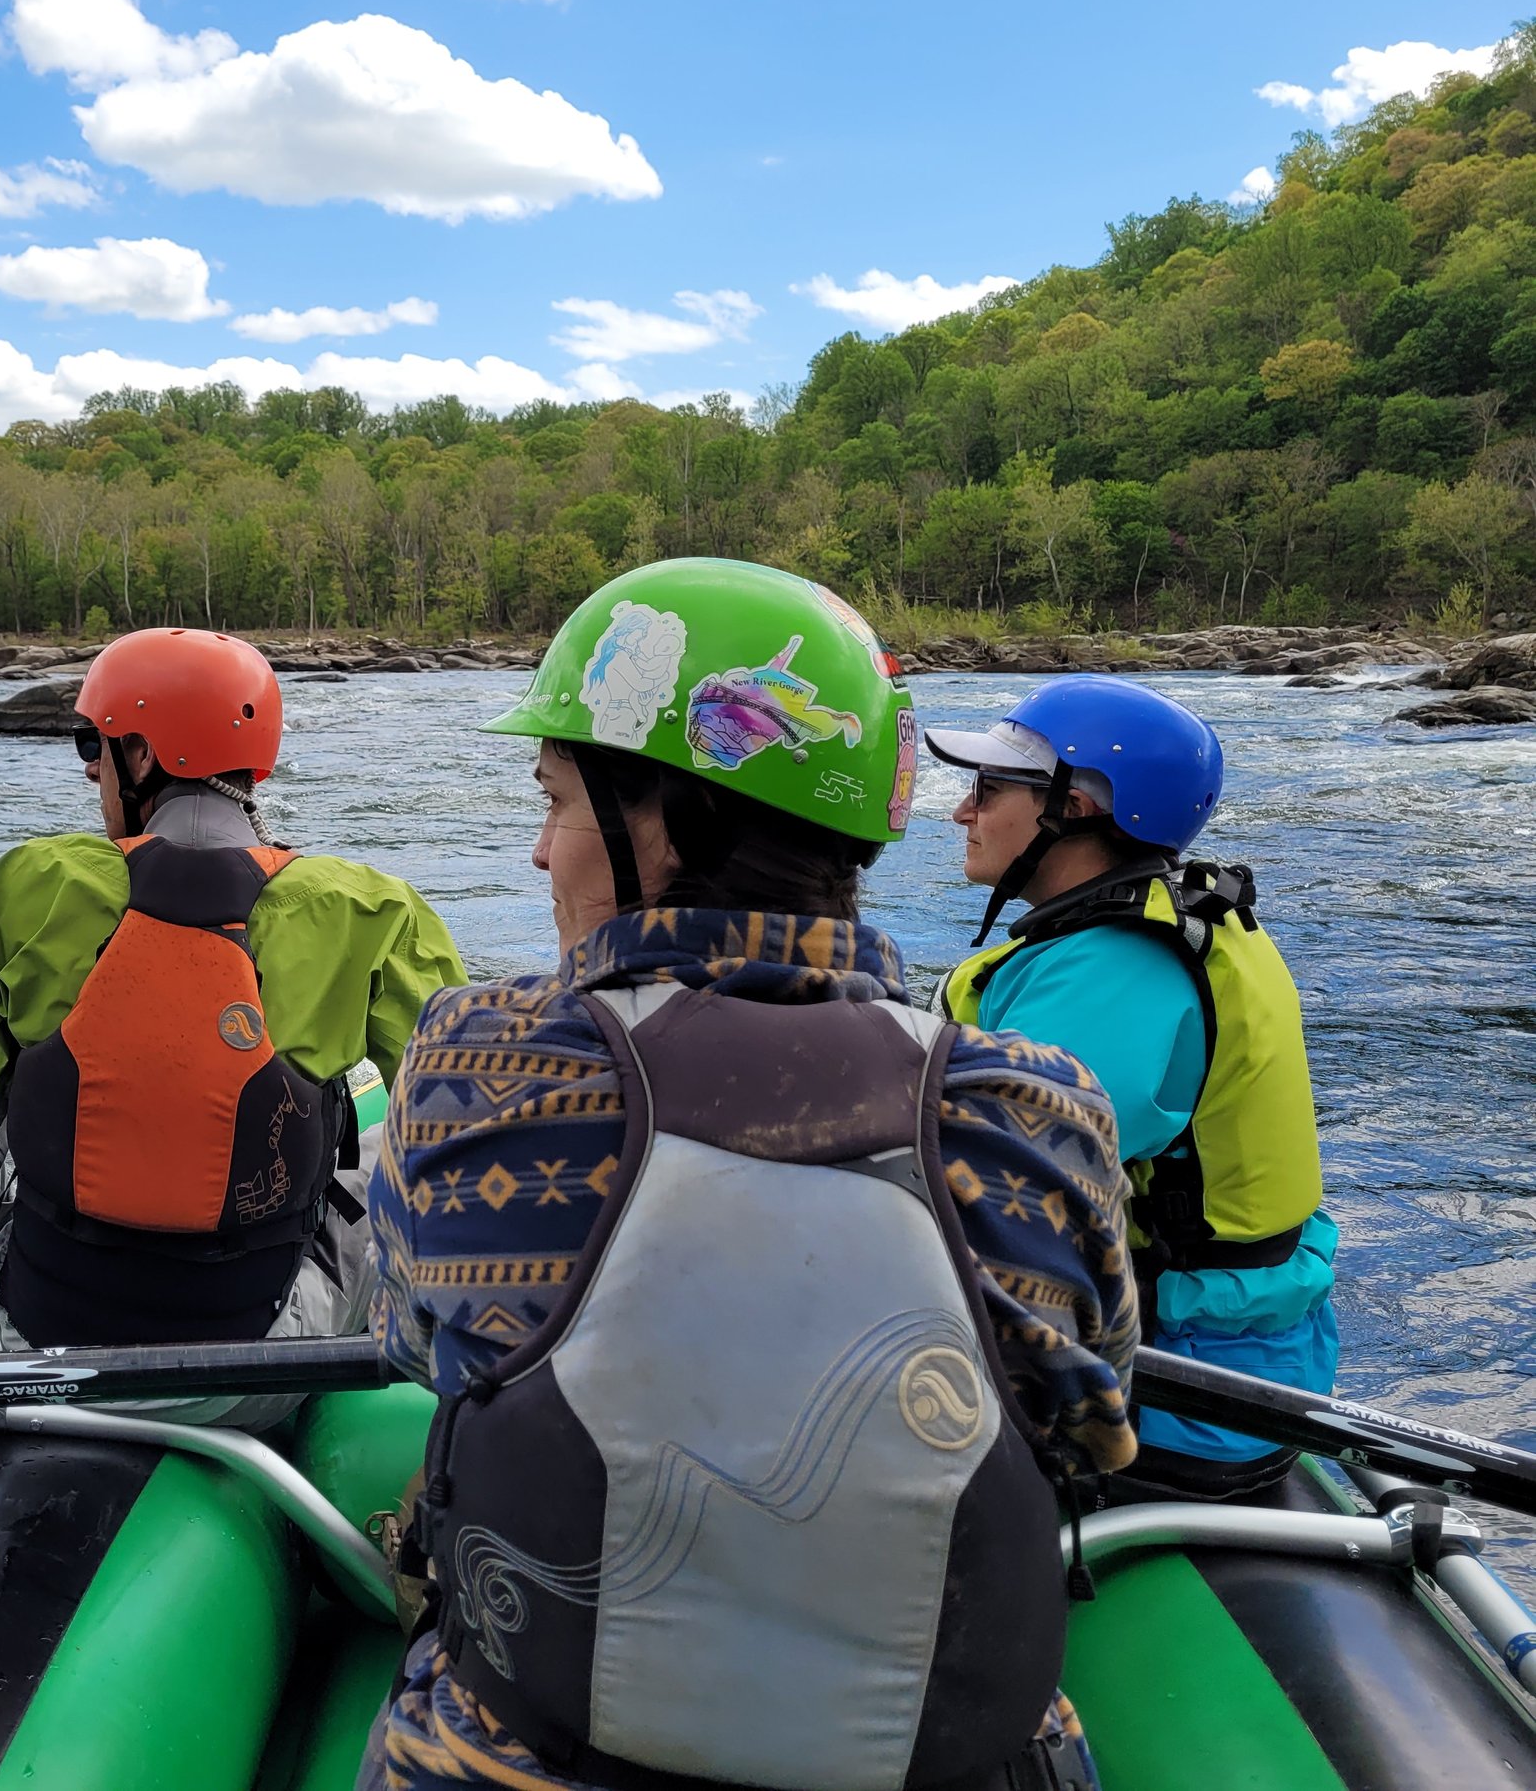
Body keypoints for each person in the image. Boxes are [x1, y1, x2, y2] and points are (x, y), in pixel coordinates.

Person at [365, 561, 1139, 1791]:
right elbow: (1089, 1424)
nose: (534, 852)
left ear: (661, 817)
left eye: (556, 801)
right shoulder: (1037, 1105)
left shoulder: (471, 1059)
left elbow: (419, 1350)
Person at [0, 625, 466, 1368]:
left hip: (46, 1341)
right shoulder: (373, 909)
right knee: (374, 1115)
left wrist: (5, 1274)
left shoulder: (24, 886)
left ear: (141, 755)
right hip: (258, 1359)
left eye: (92, 746)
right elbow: (465, 1138)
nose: (90, 770)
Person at [925, 677, 1335, 1497]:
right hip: (1243, 1358)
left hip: (1176, 1396)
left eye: (989, 789)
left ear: (1073, 807)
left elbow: (995, 1197)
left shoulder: (1114, 971)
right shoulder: (1168, 925)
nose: (962, 812)